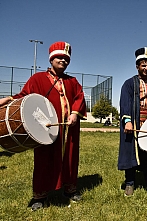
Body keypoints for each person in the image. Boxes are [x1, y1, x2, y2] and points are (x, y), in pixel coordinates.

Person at [0, 42, 87, 211]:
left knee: (70, 159)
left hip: (69, 129)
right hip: (45, 128)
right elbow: (24, 96)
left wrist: (75, 113)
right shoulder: (37, 79)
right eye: (59, 57)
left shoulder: (72, 81)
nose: (63, 60)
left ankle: (70, 190)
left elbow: (79, 98)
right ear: (52, 59)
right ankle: (40, 196)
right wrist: (9, 99)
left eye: (66, 58)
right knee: (43, 159)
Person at [118, 47, 147, 196]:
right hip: (134, 123)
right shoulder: (129, 84)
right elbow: (125, 104)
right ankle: (130, 183)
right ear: (137, 66)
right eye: (143, 65)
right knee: (131, 153)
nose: (146, 68)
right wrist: (128, 121)